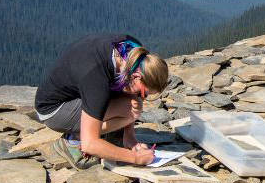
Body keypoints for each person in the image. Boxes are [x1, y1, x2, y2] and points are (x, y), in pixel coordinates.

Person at [34, 33, 169, 167]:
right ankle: (72, 140)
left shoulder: (136, 54)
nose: (142, 97)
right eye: (142, 92)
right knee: (131, 110)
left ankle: (108, 133)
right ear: (137, 76)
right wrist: (135, 158)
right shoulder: (97, 78)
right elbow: (90, 144)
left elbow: (130, 94)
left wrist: (129, 136)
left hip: (78, 93)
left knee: (134, 105)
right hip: (54, 110)